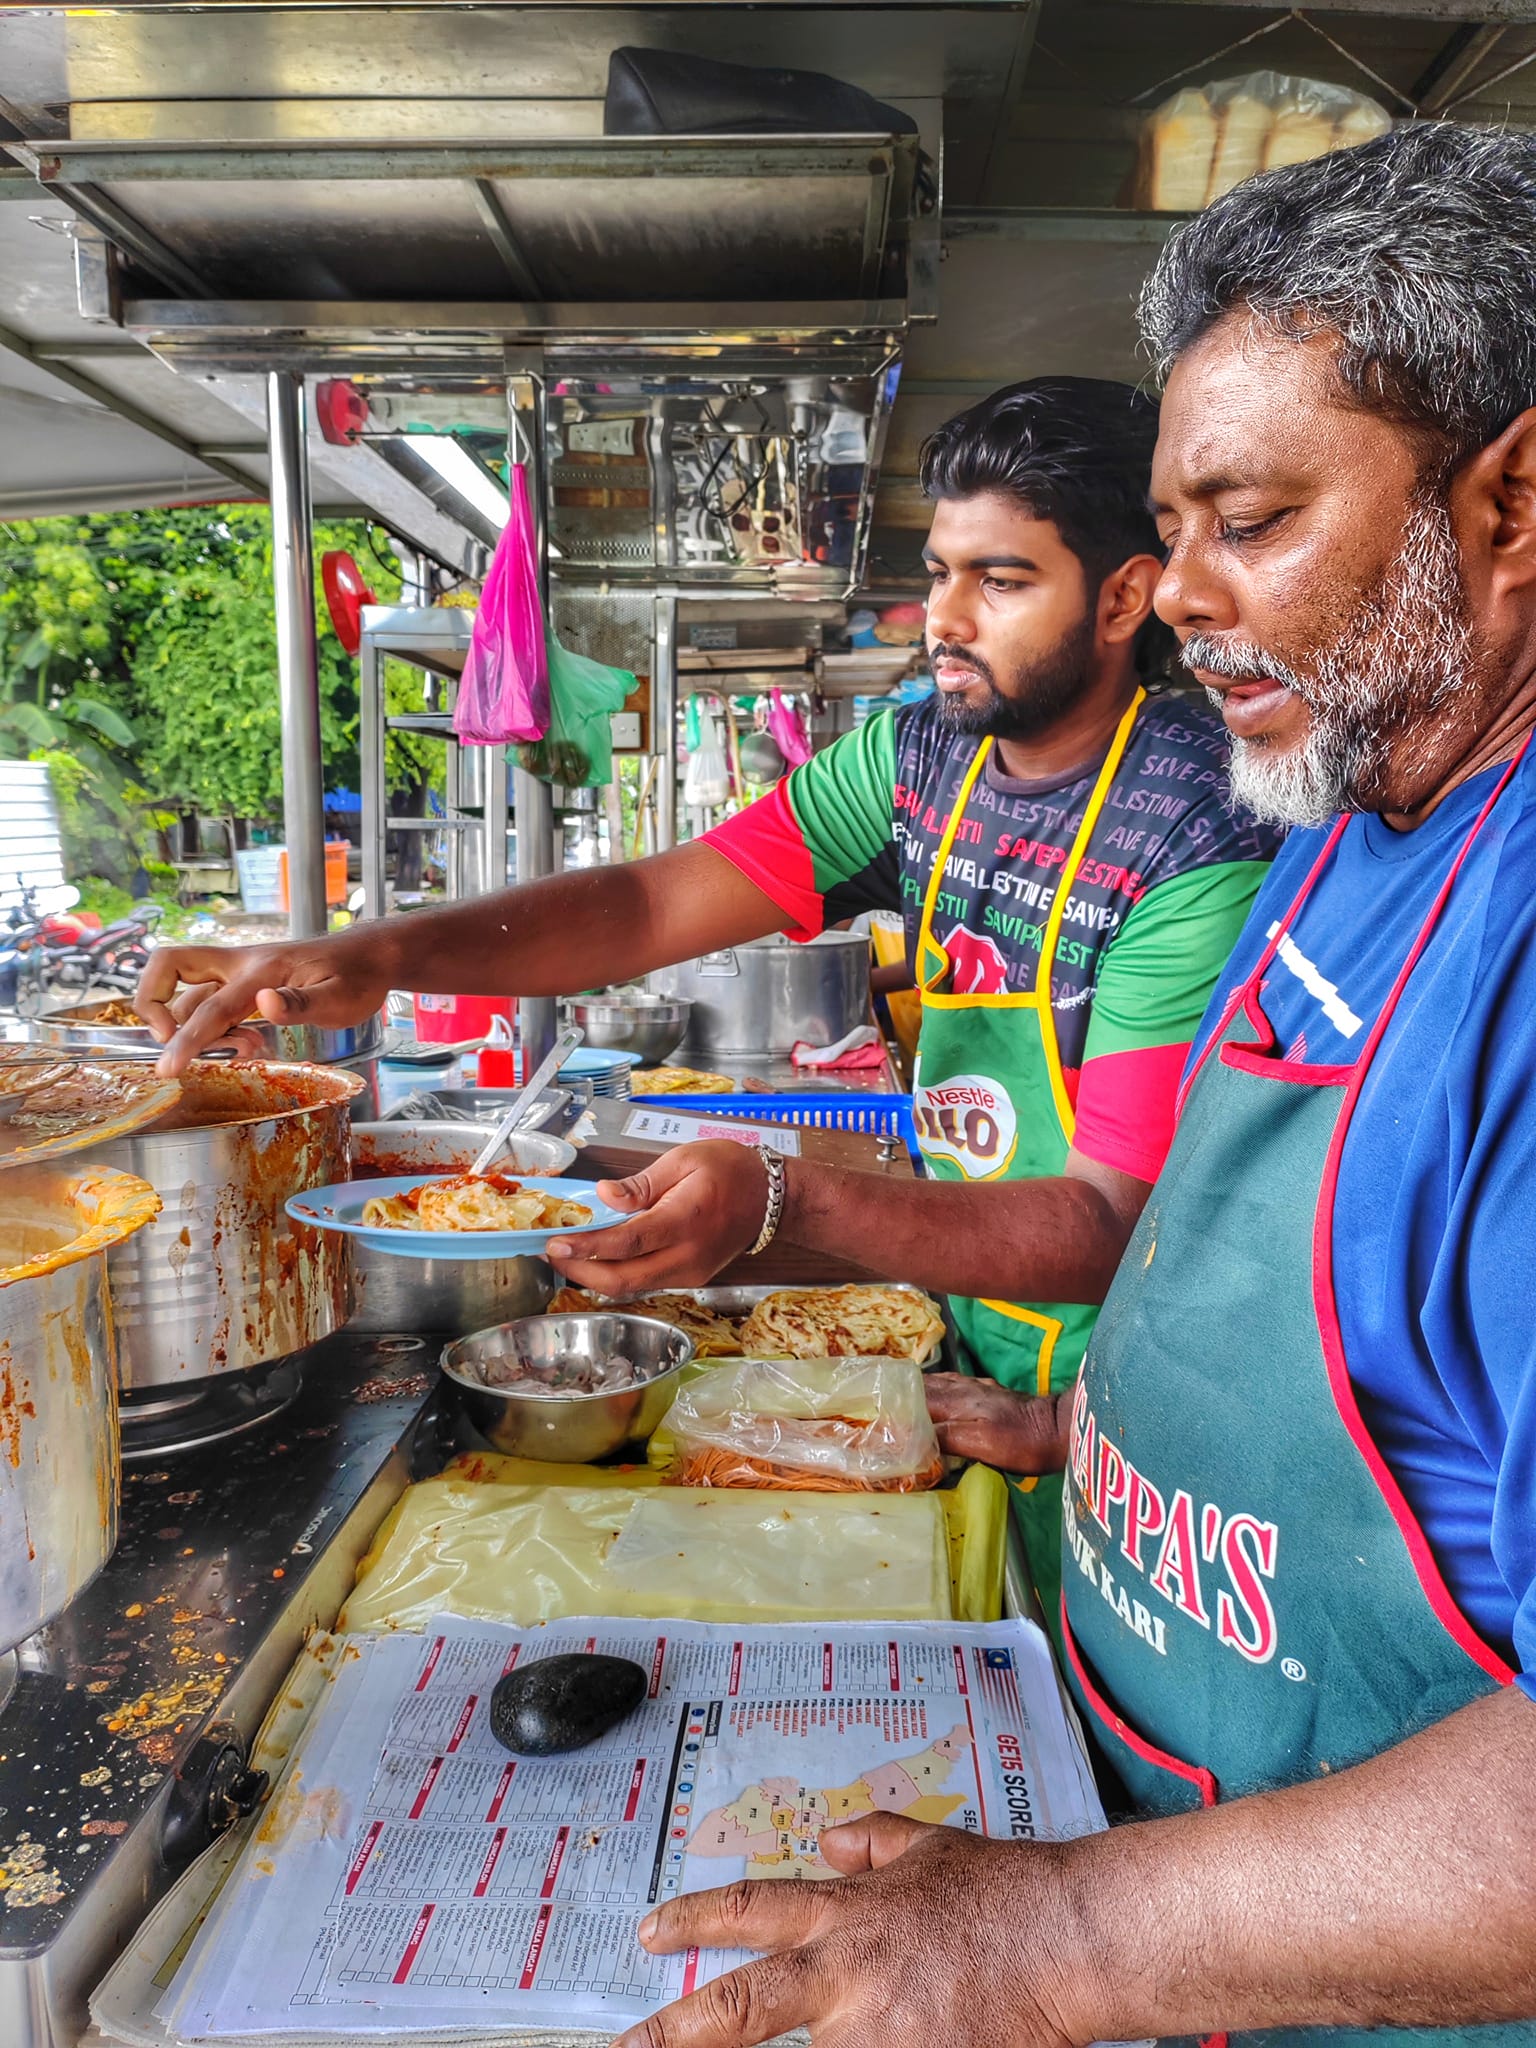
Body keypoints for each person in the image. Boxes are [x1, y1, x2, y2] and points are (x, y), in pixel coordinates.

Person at [594, 120, 1536, 2048]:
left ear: (1513, 505)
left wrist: (1067, 1938)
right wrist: (1110, 1433)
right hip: (1162, 1829)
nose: (1179, 596)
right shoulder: (1350, 821)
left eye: (1250, 520)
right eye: (1172, 530)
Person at [140, 382, 1275, 1623]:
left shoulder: (1196, 823)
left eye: (1000, 581)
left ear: (1122, 598)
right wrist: (381, 952)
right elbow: (644, 907)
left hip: (1119, 1403)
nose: (943, 617)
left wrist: (780, 1194)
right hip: (967, 1324)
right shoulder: (920, 760)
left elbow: (1107, 1221)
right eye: (941, 571)